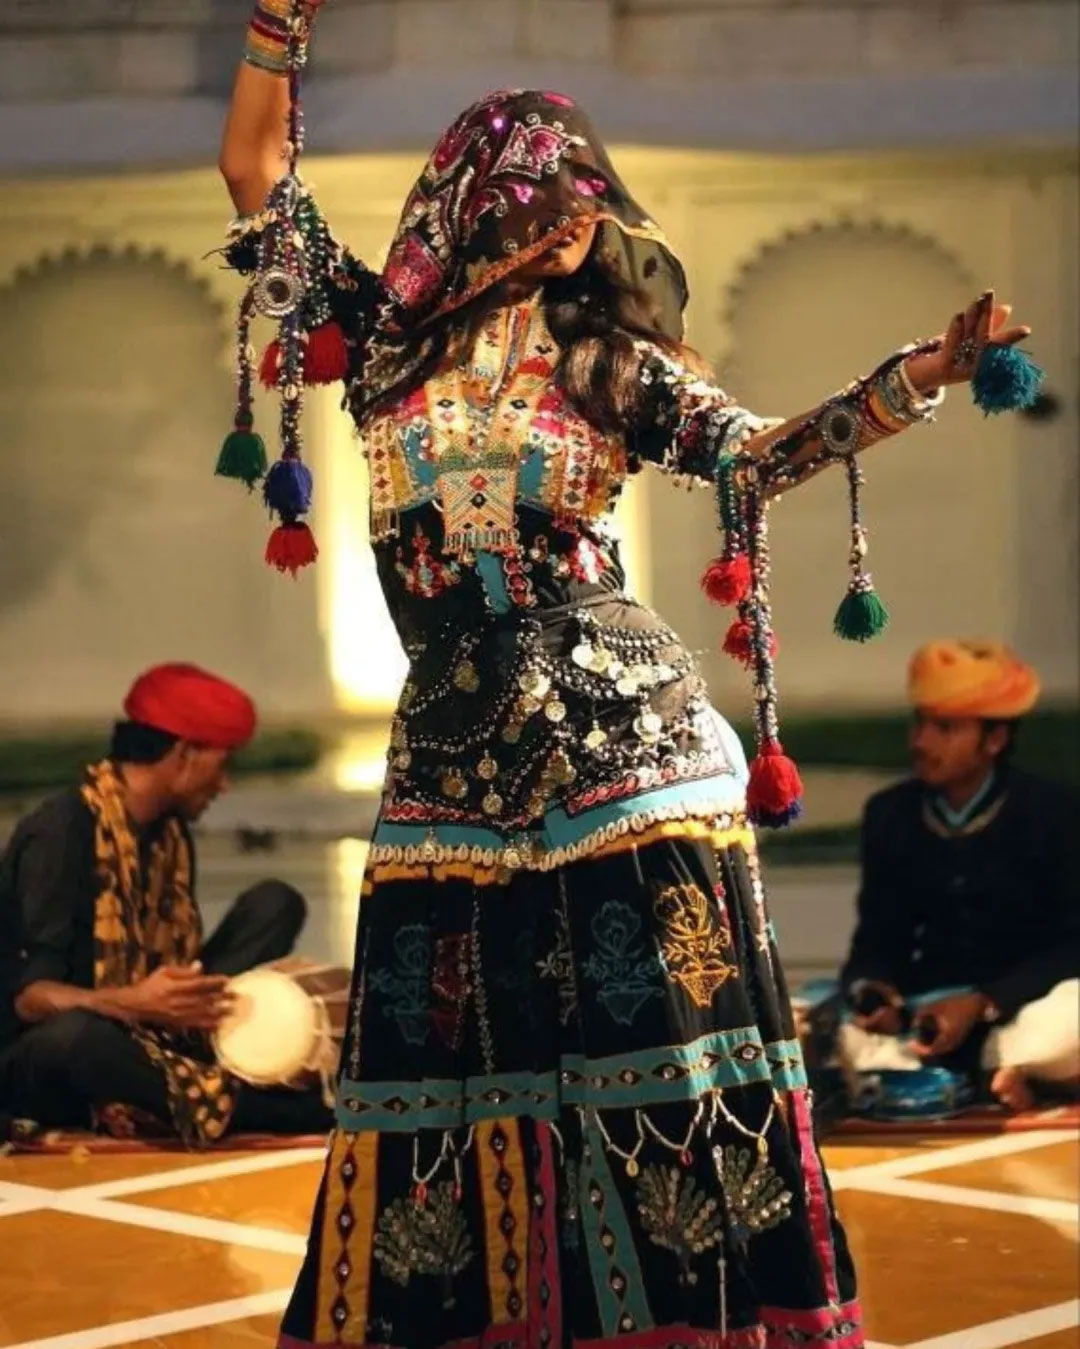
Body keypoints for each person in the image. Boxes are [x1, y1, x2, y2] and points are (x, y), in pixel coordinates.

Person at [216, 0, 1032, 1339]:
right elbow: (257, 176)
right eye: (548, 201)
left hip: (624, 754)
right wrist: (273, 27)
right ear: (476, 205)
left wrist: (921, 374)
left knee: (666, 1061)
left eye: (586, 205)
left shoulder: (603, 357)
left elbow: (759, 454)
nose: (574, 224)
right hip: (449, 768)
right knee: (447, 1073)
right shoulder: (378, 346)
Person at [0, 662, 334, 1145]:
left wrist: (172, 1001)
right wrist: (136, 1004)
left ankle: (178, 1063)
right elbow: (29, 1000)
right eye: (222, 766)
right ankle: (269, 1111)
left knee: (276, 904)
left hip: (146, 1024)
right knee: (76, 1039)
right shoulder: (61, 831)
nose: (224, 785)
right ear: (184, 754)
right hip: (43, 1052)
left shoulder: (170, 832)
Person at [841, 640, 1079, 1113]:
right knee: (844, 1032)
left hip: (1022, 1004)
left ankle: (996, 1065)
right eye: (921, 724)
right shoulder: (889, 814)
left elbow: (1073, 945)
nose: (921, 742)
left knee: (1064, 1022)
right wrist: (875, 991)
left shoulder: (1053, 812)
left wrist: (982, 1003)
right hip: (925, 1013)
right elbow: (875, 940)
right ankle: (995, 1072)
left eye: (944, 728)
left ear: (994, 740)